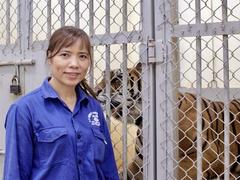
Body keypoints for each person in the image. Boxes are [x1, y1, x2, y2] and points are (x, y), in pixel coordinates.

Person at [3, 26, 119, 180]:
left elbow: (108, 168)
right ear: (50, 57)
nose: (74, 64)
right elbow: (15, 173)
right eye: (65, 55)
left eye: (82, 56)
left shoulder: (93, 108)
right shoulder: (24, 110)